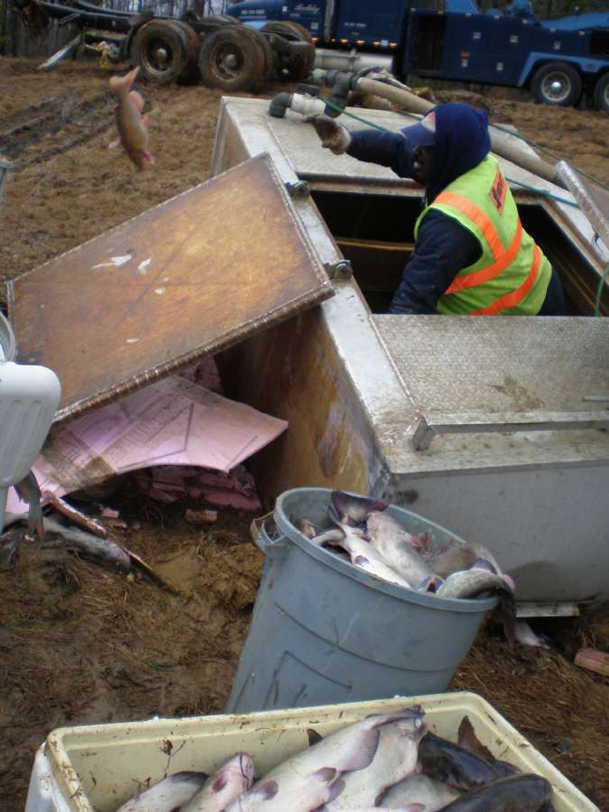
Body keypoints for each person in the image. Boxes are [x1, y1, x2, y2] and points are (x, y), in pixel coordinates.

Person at [310, 103, 565, 316]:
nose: (417, 152)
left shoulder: (451, 223)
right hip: (537, 279)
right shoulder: (477, 162)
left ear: (448, 153)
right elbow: (401, 151)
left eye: (427, 147)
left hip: (517, 311)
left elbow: (412, 304)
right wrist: (348, 141)